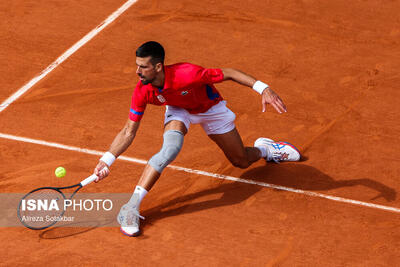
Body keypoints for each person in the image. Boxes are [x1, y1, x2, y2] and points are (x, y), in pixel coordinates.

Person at [93, 41, 300, 237]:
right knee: (170, 150)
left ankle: (266, 149)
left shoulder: (188, 73)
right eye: (137, 66)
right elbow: (129, 131)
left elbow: (228, 73)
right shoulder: (143, 90)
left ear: (158, 66)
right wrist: (107, 160)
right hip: (179, 110)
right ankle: (131, 206)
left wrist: (263, 88)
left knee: (241, 161)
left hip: (211, 110)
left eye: (143, 67)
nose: (137, 72)